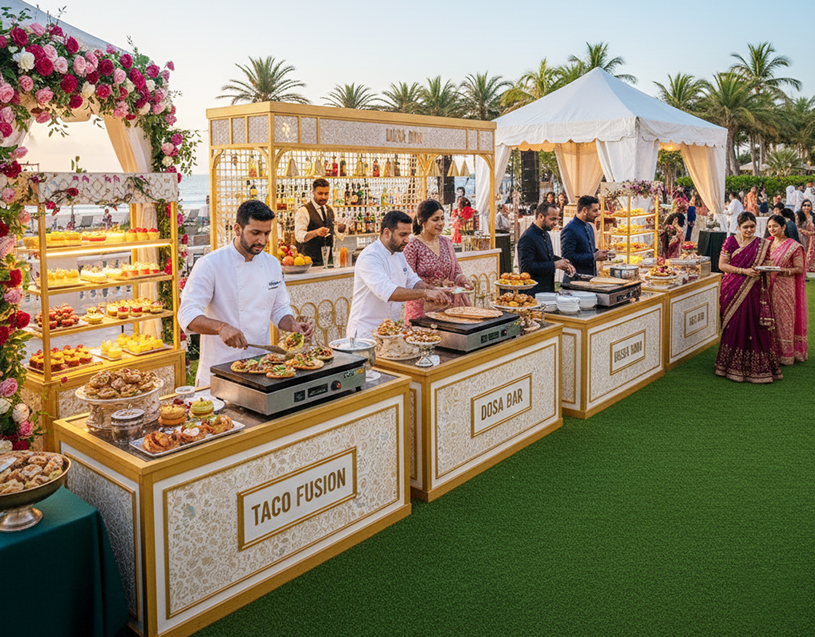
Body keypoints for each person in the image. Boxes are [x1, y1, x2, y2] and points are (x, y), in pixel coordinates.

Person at [178, 200, 313, 387]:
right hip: (220, 368)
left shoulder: (272, 264)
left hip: (261, 366)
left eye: (267, 233)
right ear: (237, 229)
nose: (262, 241)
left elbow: (279, 308)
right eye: (255, 233)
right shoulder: (210, 264)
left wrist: (293, 326)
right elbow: (187, 314)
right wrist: (221, 328)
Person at [346, 210, 450, 338]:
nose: (407, 240)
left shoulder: (399, 253)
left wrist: (435, 290)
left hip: (390, 330)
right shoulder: (370, 256)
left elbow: (413, 281)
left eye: (408, 235)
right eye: (402, 235)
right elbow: (389, 292)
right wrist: (425, 293)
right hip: (366, 332)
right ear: (387, 233)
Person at [714, 211, 782, 383]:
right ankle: (729, 366)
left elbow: (767, 263)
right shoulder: (730, 241)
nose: (750, 230)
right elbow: (722, 265)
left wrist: (767, 269)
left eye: (752, 226)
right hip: (732, 287)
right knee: (734, 323)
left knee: (753, 323)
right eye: (745, 227)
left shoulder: (761, 244)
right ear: (738, 227)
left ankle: (756, 367)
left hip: (754, 288)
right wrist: (743, 271)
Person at [403, 200, 473, 324]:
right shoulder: (412, 245)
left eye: (442, 218)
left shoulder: (446, 242)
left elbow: (456, 271)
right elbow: (408, 280)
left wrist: (463, 279)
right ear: (422, 221)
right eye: (435, 219)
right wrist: (432, 289)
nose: (440, 223)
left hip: (448, 307)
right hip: (422, 310)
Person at [766, 214, 808, 364]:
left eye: (775, 226)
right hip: (768, 286)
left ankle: (786, 354)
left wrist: (783, 270)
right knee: (769, 317)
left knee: (784, 318)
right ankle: (770, 351)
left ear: (783, 227)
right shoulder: (766, 243)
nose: (772, 229)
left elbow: (799, 268)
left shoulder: (793, 246)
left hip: (785, 285)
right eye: (769, 226)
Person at [518, 202, 576, 295]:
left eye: (557, 219)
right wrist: (555, 265)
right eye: (552, 219)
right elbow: (527, 267)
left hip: (547, 291)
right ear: (541, 217)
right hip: (534, 293)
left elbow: (547, 257)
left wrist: (563, 262)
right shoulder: (528, 237)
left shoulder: (546, 234)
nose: (555, 223)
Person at [561, 195, 608, 281]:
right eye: (595, 211)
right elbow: (567, 257)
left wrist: (599, 252)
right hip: (575, 282)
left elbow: (586, 250)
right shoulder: (570, 229)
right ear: (584, 210)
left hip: (589, 280)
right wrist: (594, 257)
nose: (598, 213)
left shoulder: (588, 226)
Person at [294, 178, 334, 265]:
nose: (323, 197)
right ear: (313, 193)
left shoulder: (329, 210)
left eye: (326, 194)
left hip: (328, 262)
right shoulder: (303, 211)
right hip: (308, 263)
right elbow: (299, 236)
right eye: (320, 193)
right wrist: (316, 233)